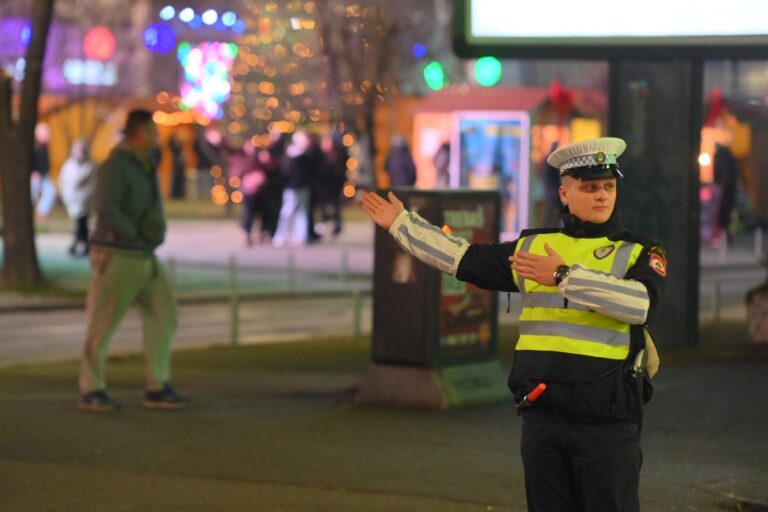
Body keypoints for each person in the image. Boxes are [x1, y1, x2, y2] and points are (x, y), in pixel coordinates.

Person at [361, 137, 667, 512]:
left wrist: (562, 275)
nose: (602, 195)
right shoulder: (532, 247)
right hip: (543, 418)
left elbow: (639, 304)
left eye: (608, 186)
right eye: (589, 187)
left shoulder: (639, 250)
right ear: (565, 194)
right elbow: (464, 259)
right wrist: (402, 225)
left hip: (606, 423)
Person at [78, 109, 187, 412]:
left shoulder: (144, 162)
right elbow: (107, 207)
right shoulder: (117, 164)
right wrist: (135, 235)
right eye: (153, 131)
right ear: (139, 133)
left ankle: (157, 385)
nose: (157, 137)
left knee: (164, 313)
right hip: (119, 253)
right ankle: (91, 388)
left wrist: (153, 233)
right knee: (102, 323)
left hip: (143, 253)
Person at [58, 139, 96, 257]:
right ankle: (83, 244)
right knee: (81, 223)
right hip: (73, 200)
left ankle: (78, 243)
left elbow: (90, 184)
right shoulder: (68, 166)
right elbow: (64, 182)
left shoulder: (90, 167)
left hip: (84, 201)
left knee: (82, 222)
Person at [31, 121, 56, 220]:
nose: (48, 135)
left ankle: (41, 213)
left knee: (50, 191)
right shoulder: (34, 147)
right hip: (35, 176)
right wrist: (34, 172)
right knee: (32, 194)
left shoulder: (45, 147)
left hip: (43, 175)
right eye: (46, 133)